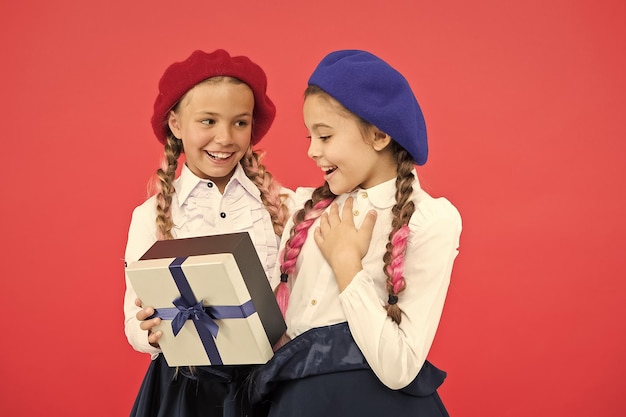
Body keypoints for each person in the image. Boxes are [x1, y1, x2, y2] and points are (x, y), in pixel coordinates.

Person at [247, 50, 462, 416]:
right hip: (296, 406)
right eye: (309, 137)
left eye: (325, 136)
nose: (313, 151)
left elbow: (400, 367)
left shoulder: (429, 220)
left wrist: (348, 265)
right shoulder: (304, 210)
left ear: (379, 134)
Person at [123, 49, 293, 417]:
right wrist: (148, 332)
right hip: (184, 391)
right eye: (207, 121)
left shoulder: (285, 207)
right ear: (176, 124)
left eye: (239, 123)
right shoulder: (149, 217)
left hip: (269, 386)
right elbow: (132, 320)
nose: (224, 138)